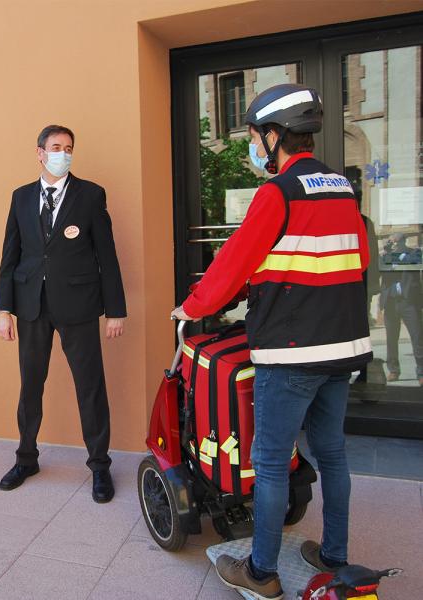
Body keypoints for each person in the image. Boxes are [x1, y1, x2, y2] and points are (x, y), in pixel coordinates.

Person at [173, 84, 372, 599]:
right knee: (332, 454)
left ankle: (261, 572)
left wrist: (192, 307)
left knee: (269, 462)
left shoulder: (279, 192)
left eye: (256, 136)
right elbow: (355, 262)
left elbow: (236, 261)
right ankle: (332, 555)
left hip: (291, 352)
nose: (255, 146)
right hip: (342, 347)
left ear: (275, 134)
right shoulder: (344, 189)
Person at [0, 124, 126, 504]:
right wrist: (4, 309)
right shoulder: (21, 197)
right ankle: (26, 458)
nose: (63, 153)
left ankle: (100, 466)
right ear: (39, 152)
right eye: (55, 147)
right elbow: (10, 255)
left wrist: (115, 310)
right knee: (30, 385)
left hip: (79, 305)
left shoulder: (90, 195)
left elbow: (108, 256)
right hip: (31, 305)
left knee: (90, 386)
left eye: (68, 147)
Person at [379, 232, 423, 386]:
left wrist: (398, 257)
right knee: (391, 339)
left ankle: (421, 372)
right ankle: (394, 370)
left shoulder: (414, 252)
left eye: (396, 241)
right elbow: (378, 265)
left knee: (417, 337)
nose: (394, 244)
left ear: (404, 241)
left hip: (409, 302)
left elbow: (415, 261)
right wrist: (385, 251)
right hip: (390, 301)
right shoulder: (386, 255)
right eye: (392, 242)